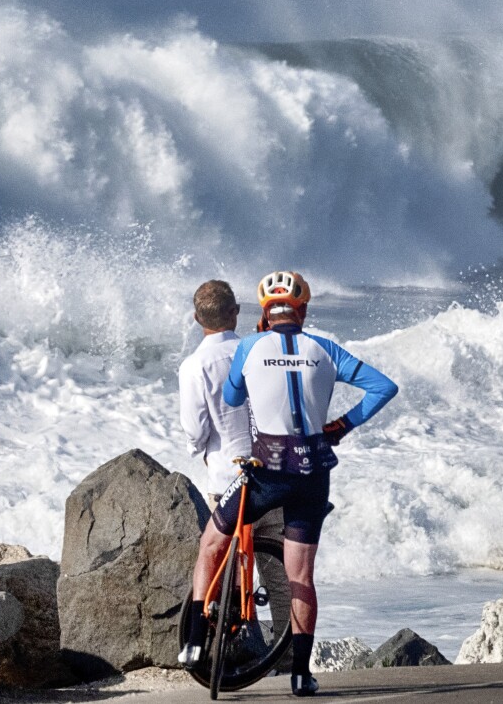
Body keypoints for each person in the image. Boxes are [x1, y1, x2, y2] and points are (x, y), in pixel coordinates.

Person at [179, 271, 398, 697]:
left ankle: (192, 641)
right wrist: (339, 426)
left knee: (211, 545)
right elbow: (383, 388)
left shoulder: (250, 347)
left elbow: (231, 399)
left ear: (263, 312)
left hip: (267, 474)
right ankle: (301, 674)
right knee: (301, 577)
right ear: (304, 310)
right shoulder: (324, 348)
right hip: (313, 475)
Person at [178, 280, 253, 501]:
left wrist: (198, 449)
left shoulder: (194, 366)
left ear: (197, 318)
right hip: (275, 482)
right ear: (235, 312)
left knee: (220, 538)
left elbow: (195, 431)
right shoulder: (261, 352)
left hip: (227, 482)